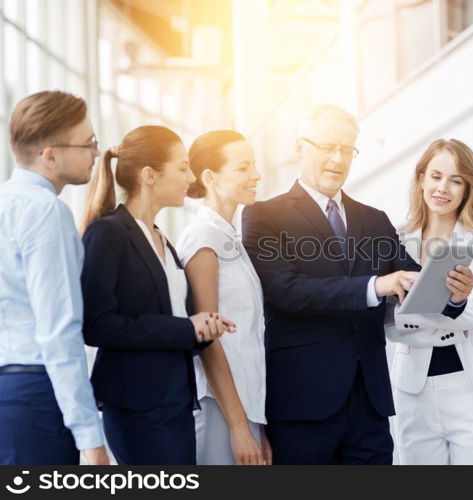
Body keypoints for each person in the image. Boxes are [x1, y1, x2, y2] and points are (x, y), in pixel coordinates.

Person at [242, 105, 473, 464]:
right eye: (327, 147)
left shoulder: (375, 220)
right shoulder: (263, 216)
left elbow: (417, 282)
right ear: (300, 148)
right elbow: (287, 291)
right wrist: (375, 286)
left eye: (347, 150)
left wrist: (454, 294)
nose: (337, 159)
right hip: (303, 403)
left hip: (369, 404)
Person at [80, 125, 235, 465]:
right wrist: (185, 329)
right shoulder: (108, 234)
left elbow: (175, 317)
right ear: (149, 175)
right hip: (139, 408)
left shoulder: (161, 239)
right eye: (182, 167)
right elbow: (97, 325)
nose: (190, 177)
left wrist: (203, 328)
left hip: (175, 403)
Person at [385, 139, 473, 465]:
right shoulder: (396, 241)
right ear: (421, 178)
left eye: (456, 180)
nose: (443, 188)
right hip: (411, 389)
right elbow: (390, 324)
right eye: (436, 176)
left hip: (470, 387)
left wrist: (417, 314)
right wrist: (454, 304)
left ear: (469, 189)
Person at [0, 91, 109, 465]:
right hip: (36, 395)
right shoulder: (46, 212)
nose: (96, 153)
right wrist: (90, 437)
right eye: (89, 144)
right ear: (50, 155)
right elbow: (58, 329)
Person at [177, 130, 271, 465]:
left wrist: (255, 425)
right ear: (210, 178)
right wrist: (238, 427)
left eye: (255, 165)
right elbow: (207, 338)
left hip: (245, 407)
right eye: (243, 167)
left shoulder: (230, 238)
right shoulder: (203, 237)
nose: (256, 175)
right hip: (221, 407)